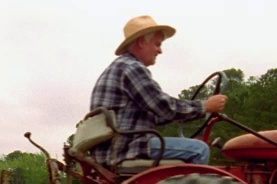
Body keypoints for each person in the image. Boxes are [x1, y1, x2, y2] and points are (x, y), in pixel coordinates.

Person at [90, 15, 228, 167]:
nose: (160, 51)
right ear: (142, 42)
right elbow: (162, 106)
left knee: (193, 146)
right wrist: (205, 106)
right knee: (199, 149)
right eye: (157, 44)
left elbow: (153, 112)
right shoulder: (132, 67)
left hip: (116, 147)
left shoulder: (121, 66)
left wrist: (179, 116)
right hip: (126, 147)